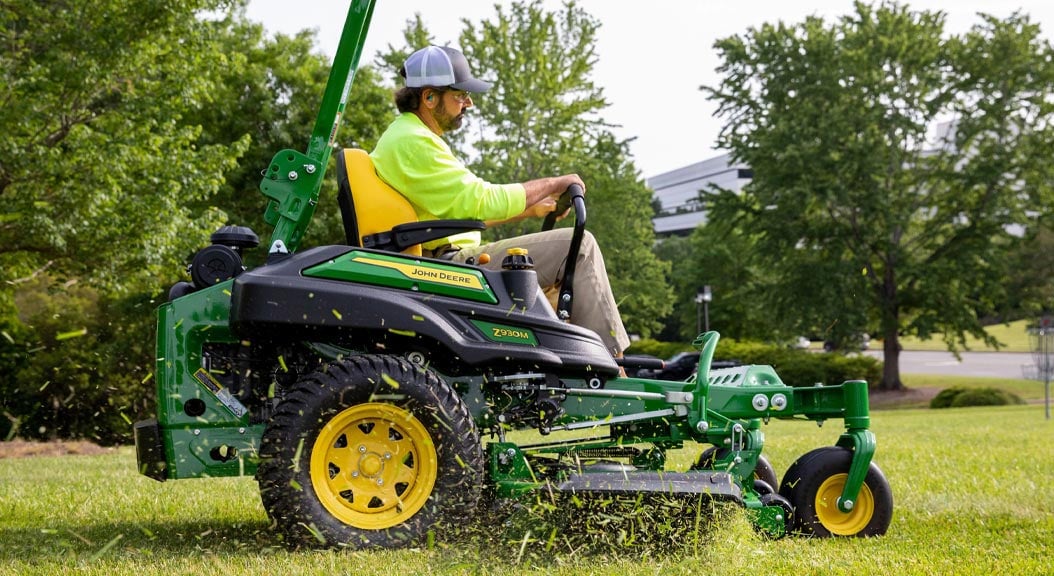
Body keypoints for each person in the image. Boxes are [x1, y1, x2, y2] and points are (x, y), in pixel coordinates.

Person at [370, 45, 630, 357]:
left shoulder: (407, 137)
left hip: (437, 256)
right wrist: (557, 182)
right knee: (580, 248)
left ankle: (568, 366)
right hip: (445, 265)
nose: (469, 103)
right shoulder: (415, 143)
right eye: (460, 95)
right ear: (429, 97)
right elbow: (482, 199)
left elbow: (457, 215)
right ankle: (611, 366)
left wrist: (528, 210)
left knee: (560, 278)